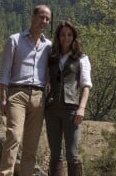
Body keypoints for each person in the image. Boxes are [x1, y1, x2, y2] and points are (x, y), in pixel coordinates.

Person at [0, 4, 52, 176]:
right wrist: (3, 98)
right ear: (33, 17)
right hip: (17, 93)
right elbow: (5, 71)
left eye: (47, 19)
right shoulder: (14, 40)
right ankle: (5, 173)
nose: (44, 21)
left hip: (38, 96)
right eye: (41, 17)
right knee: (13, 136)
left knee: (31, 145)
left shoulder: (49, 46)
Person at [45, 21, 92, 176]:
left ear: (74, 37)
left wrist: (82, 108)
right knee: (55, 154)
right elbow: (44, 81)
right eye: (63, 34)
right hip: (51, 110)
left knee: (72, 154)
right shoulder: (52, 57)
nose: (66, 38)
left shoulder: (82, 58)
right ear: (58, 36)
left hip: (72, 110)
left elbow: (86, 86)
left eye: (69, 34)